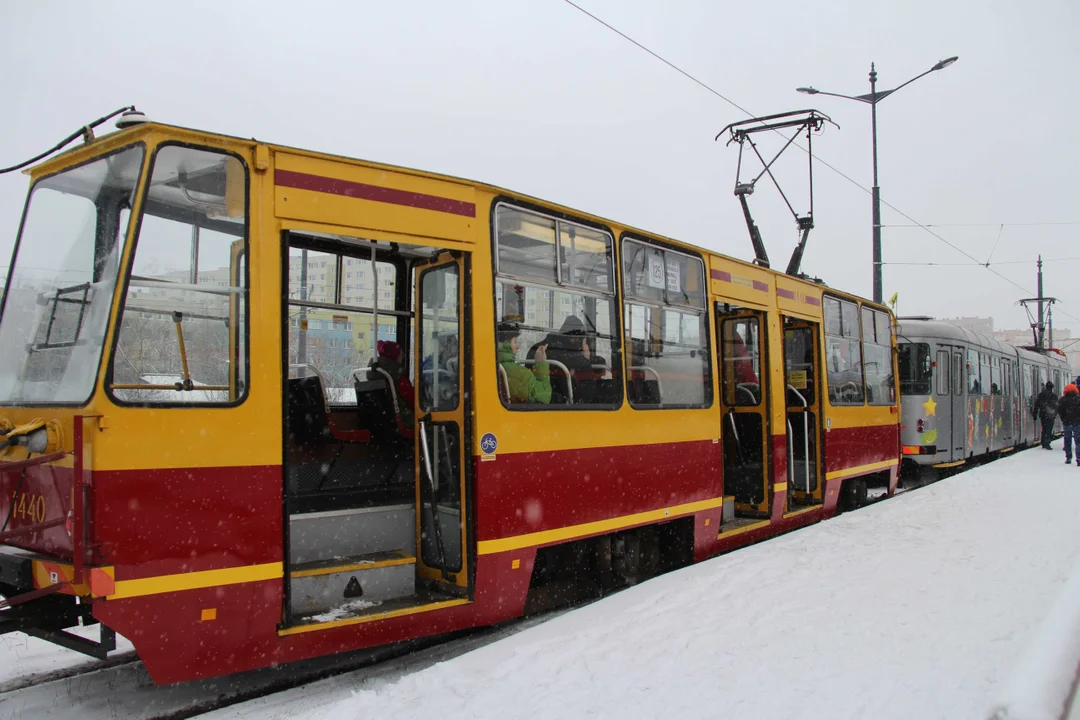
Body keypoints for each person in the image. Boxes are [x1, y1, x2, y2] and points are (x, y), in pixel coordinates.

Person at [527, 316, 597, 404]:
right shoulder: (571, 357)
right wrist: (586, 359)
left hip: (535, 400)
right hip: (561, 403)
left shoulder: (536, 348)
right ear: (575, 338)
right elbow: (588, 393)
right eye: (581, 339)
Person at [497, 321, 551, 404]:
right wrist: (541, 363)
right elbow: (544, 397)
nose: (518, 346)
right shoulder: (520, 374)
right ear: (506, 344)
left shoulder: (492, 365)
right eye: (515, 342)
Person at [373, 340, 415, 424]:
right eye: (400, 353)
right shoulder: (397, 378)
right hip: (404, 420)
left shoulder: (375, 376)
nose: (402, 356)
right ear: (394, 356)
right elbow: (414, 401)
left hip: (381, 422)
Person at [1033, 380, 1058, 450]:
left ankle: (1043, 442)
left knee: (1044, 428)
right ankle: (1047, 443)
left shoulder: (1041, 395)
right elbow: (1056, 406)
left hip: (1043, 414)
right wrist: (1055, 414)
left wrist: (1035, 413)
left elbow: (1036, 404)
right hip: (1050, 415)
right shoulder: (1053, 395)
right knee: (1049, 429)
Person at [1058, 383, 1080, 465]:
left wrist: (1063, 419)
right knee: (1078, 442)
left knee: (1067, 441)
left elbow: (1060, 411)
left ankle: (1068, 457)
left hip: (1067, 423)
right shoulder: (1078, 399)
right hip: (1078, 424)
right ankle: (1079, 458)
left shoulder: (1063, 399)